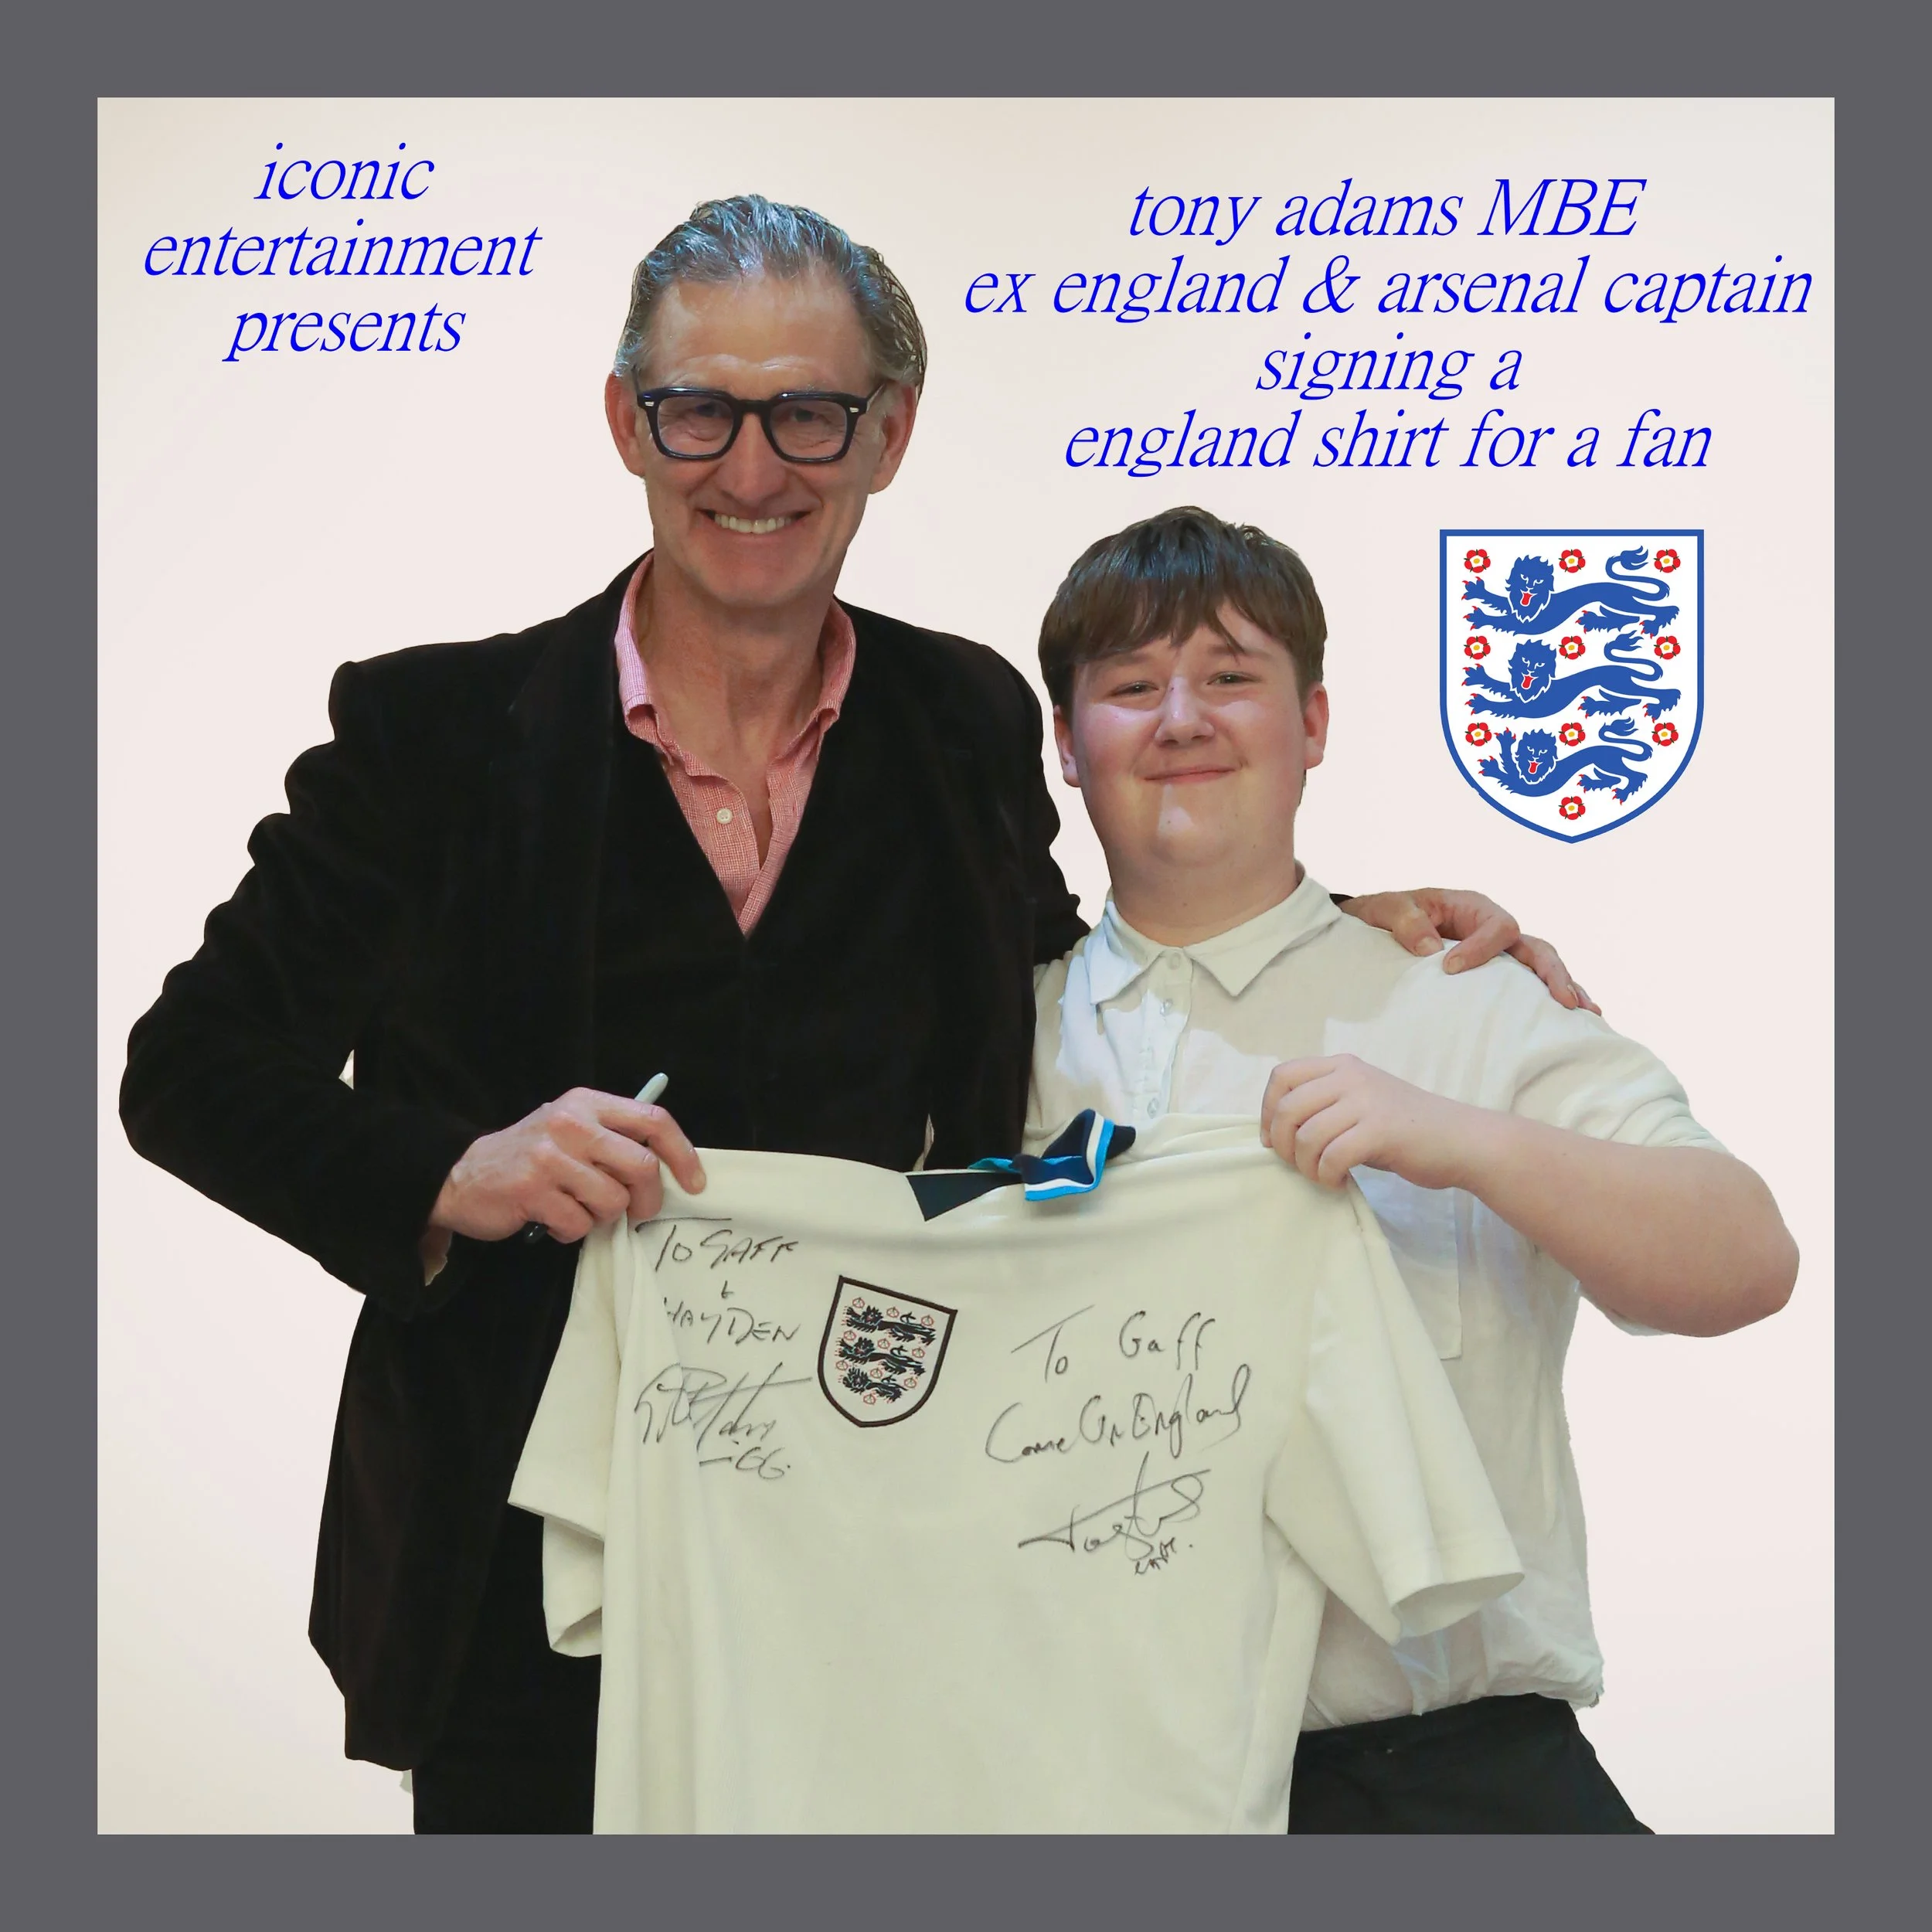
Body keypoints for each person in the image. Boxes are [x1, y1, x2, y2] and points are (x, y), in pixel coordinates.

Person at [120, 196, 1579, 1835]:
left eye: (808, 412)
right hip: (516, 1578)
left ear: (888, 433)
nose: (753, 468)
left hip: (890, 1569)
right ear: (626, 421)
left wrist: (1313, 921)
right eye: (701, 409)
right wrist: (453, 1171)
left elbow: (1056, 992)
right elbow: (188, 1069)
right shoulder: (432, 731)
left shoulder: (959, 717)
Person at [1027, 504, 1798, 1834]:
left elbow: (1746, 1258)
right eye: (1132, 687)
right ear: (1065, 744)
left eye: (1230, 677)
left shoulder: (1464, 999)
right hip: (1091, 1790)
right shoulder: (989, 1042)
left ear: (1314, 723)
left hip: (1451, 1790)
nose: (1182, 720)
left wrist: (1458, 1140)